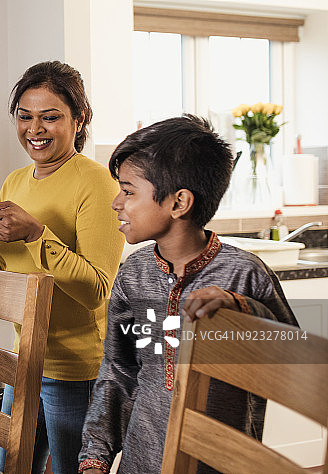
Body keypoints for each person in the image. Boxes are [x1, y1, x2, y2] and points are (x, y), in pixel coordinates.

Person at [78, 115, 299, 473]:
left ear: (179, 203)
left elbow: (292, 365)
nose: (116, 203)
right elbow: (118, 371)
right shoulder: (133, 275)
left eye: (129, 191)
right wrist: (95, 457)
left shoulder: (244, 274)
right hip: (141, 462)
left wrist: (241, 308)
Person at [0, 61, 123, 474]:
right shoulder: (15, 182)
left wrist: (37, 234)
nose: (35, 129)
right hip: (22, 359)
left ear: (79, 119)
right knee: (13, 470)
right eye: (25, 116)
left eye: (50, 117)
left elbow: (96, 289)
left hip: (74, 369)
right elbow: (1, 268)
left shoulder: (97, 183)